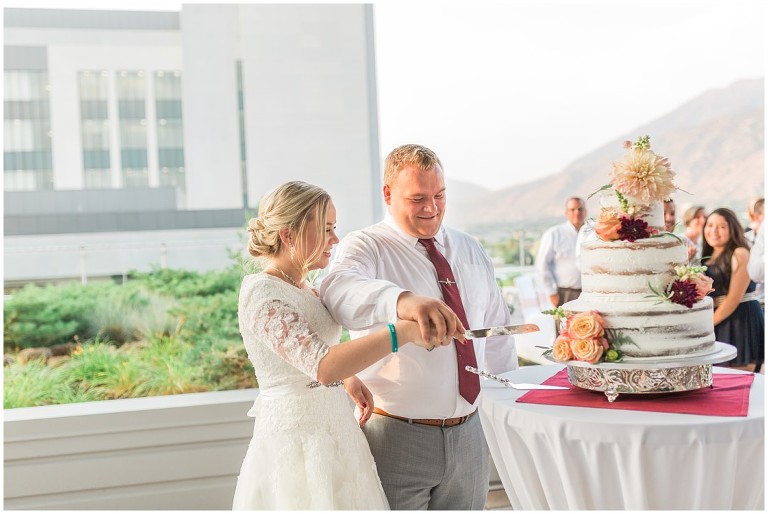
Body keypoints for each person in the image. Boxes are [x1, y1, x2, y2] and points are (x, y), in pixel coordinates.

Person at [232, 181, 461, 510]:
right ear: (289, 234)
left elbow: (307, 358)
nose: (335, 240)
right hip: (298, 444)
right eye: (326, 229)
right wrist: (402, 333)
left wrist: (350, 378)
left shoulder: (306, 287)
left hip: (338, 433)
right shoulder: (262, 292)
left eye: (334, 229)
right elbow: (323, 366)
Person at [320, 144, 518, 510]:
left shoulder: (470, 248)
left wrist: (506, 414)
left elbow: (496, 336)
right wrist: (402, 301)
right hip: (394, 435)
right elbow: (338, 291)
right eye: (418, 198)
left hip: (471, 435)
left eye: (439, 195)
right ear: (387, 194)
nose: (432, 208)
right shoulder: (366, 246)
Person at [702, 207, 764, 372]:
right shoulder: (704, 258)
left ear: (732, 229)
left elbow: (733, 299)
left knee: (739, 380)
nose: (714, 231)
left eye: (722, 226)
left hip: (740, 319)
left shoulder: (740, 253)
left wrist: (705, 327)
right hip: (718, 320)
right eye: (710, 225)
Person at [535, 197, 587, 307]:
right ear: (566, 213)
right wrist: (551, 293)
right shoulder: (554, 234)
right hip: (564, 294)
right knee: (564, 324)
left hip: (589, 294)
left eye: (580, 209)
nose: (577, 212)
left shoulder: (592, 233)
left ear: (585, 211)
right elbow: (542, 265)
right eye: (572, 210)